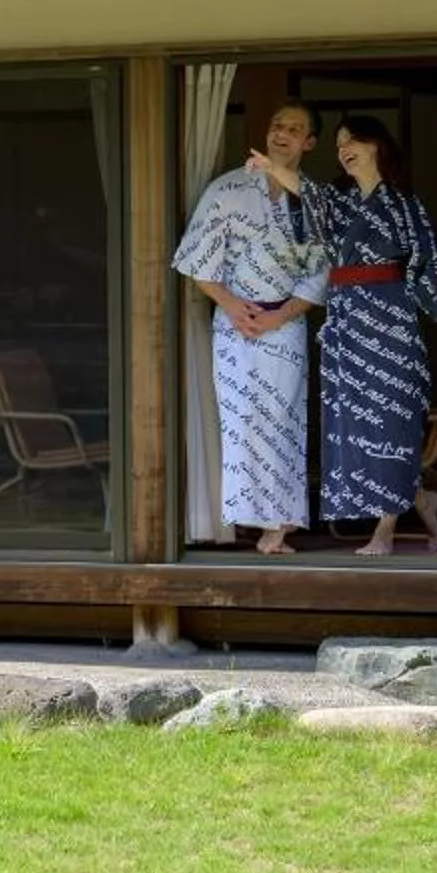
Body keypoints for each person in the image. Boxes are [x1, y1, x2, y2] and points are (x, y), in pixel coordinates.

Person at [298, 115, 437, 555]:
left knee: (391, 422)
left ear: (376, 146)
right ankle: (420, 498)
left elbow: (427, 275)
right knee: (353, 427)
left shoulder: (405, 205)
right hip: (346, 323)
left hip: (391, 324)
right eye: (337, 145)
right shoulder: (337, 200)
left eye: (352, 140)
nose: (343, 150)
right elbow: (308, 195)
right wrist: (275, 167)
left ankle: (384, 532)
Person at [171, 102, 330, 553]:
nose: (283, 133)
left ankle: (277, 527)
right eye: (277, 124)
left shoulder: (312, 199)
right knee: (241, 423)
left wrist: (282, 314)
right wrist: (232, 304)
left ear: (309, 142)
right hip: (235, 319)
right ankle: (246, 521)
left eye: (295, 128)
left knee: (284, 420)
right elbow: (196, 258)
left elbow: (321, 269)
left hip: (287, 321)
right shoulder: (229, 188)